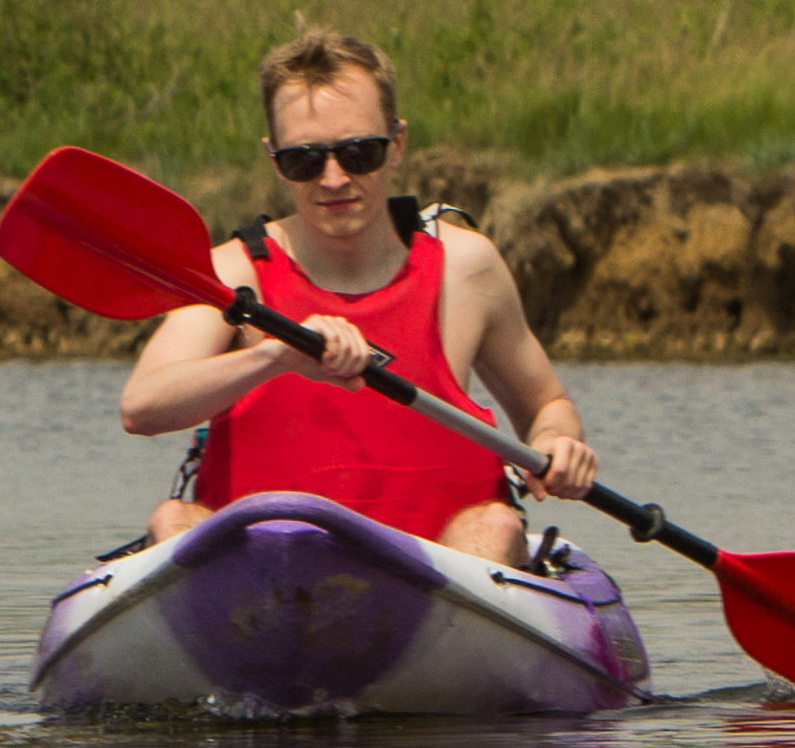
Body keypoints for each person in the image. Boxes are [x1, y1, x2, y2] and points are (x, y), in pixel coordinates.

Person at [116, 28, 600, 563]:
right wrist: (274, 356)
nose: (333, 179)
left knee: (494, 526)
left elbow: (547, 406)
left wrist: (558, 443)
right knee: (173, 518)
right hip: (259, 581)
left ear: (396, 145)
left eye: (358, 153)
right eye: (305, 160)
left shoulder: (466, 267)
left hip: (439, 579)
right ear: (275, 159)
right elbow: (142, 407)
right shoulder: (231, 274)